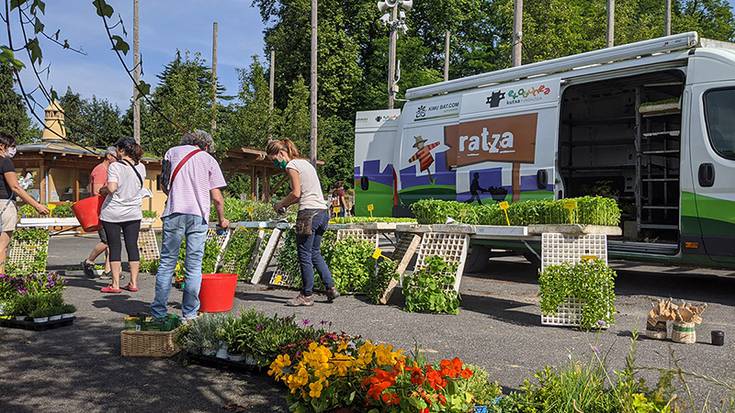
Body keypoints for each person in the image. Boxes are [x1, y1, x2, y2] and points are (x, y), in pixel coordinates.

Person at [151, 130, 229, 321]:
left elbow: (164, 184)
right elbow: (217, 198)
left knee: (167, 264)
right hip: (198, 216)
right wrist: (222, 220)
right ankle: (190, 314)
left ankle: (159, 313)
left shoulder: (171, 152)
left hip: (174, 212)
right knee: (193, 267)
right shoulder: (209, 160)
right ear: (207, 146)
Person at [266, 139, 338, 307]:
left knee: (304, 255)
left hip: (308, 214)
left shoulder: (292, 166)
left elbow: (296, 193)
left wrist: (280, 204)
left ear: (282, 154)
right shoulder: (306, 164)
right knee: (315, 253)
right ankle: (330, 288)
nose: (276, 164)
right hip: (322, 213)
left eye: (275, 160)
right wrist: (288, 204)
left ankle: (306, 295)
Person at [98, 138, 146, 294]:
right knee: (132, 245)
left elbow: (112, 188)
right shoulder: (142, 167)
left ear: (122, 151)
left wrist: (102, 190)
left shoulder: (115, 166)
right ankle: (133, 283)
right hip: (133, 212)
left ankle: (115, 284)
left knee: (115, 246)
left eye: (117, 149)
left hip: (113, 212)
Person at [0, 133, 50, 273]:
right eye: (11, 146)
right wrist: (37, 205)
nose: (13, 150)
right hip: (4, 204)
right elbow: (15, 187)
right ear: (2, 146)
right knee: (2, 245)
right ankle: (1, 279)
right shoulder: (5, 162)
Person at [81, 147, 117, 279]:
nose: (117, 160)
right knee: (106, 240)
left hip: (109, 209)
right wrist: (112, 189)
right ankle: (89, 261)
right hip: (100, 210)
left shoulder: (109, 170)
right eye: (116, 157)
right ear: (108, 156)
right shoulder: (100, 170)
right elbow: (97, 191)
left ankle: (108, 271)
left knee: (113, 241)